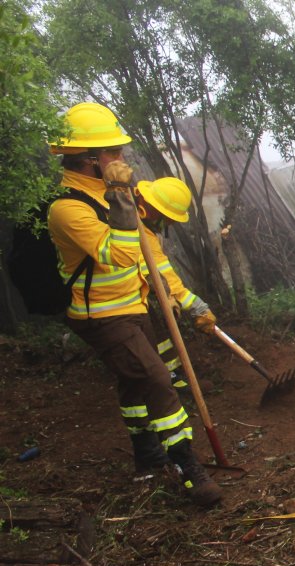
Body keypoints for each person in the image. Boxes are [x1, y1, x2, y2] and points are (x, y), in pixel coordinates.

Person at [46, 102, 222, 506]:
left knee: (135, 380)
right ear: (93, 160)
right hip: (102, 318)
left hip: (133, 308)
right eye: (117, 153)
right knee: (158, 381)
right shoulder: (69, 209)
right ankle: (187, 467)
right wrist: (121, 196)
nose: (123, 160)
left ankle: (145, 454)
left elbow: (154, 260)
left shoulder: (115, 198)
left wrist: (189, 303)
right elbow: (123, 254)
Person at [136, 176, 218, 388]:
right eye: (169, 218)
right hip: (118, 298)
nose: (170, 223)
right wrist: (196, 307)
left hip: (136, 290)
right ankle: (163, 379)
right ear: (153, 209)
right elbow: (160, 274)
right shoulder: (136, 231)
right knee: (149, 329)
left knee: (161, 324)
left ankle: (171, 373)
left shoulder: (142, 226)